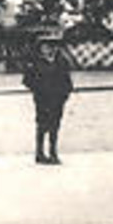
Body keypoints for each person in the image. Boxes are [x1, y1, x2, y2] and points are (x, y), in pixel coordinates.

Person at [21, 31, 74, 165]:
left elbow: (67, 80)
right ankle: (39, 153)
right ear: (40, 48)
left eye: (53, 45)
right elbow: (27, 80)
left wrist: (65, 94)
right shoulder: (35, 62)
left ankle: (53, 152)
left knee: (55, 125)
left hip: (57, 98)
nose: (50, 48)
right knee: (42, 124)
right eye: (46, 46)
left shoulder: (61, 61)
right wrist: (38, 89)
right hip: (42, 99)